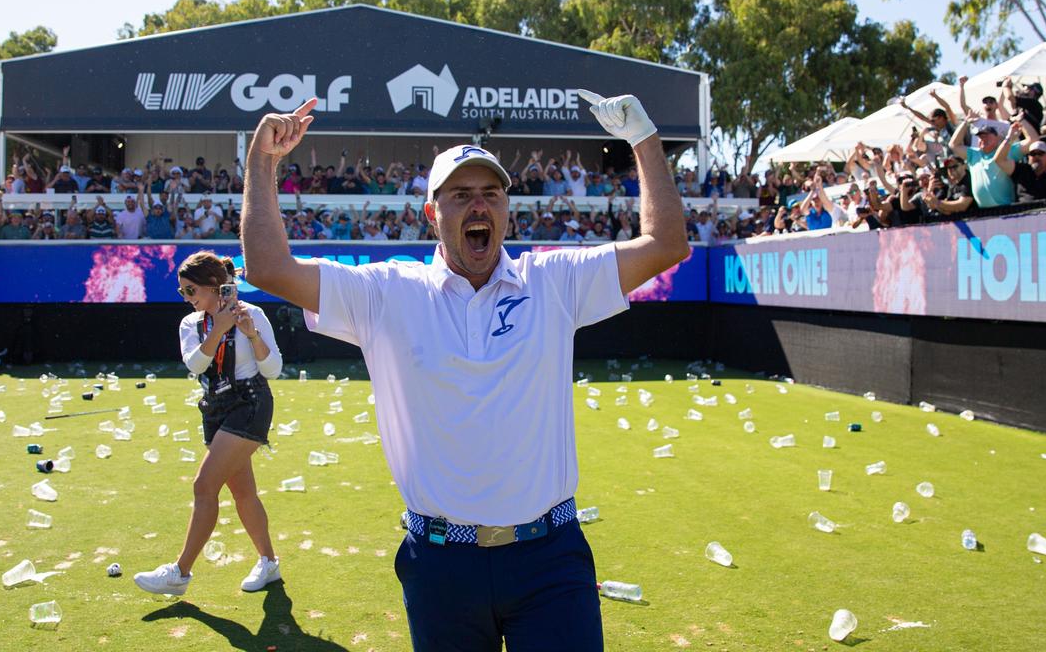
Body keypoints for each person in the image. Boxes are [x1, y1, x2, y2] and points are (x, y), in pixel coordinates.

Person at [240, 90, 687, 651]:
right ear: (433, 213)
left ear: (507, 210)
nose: (479, 206)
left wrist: (644, 137)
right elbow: (268, 267)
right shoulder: (385, 293)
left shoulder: (554, 282)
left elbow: (667, 244)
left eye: (491, 194)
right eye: (460, 196)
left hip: (551, 559)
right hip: (441, 565)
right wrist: (262, 162)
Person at [134, 251, 284, 596]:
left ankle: (179, 572)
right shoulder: (192, 323)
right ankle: (269, 563)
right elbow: (196, 365)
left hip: (250, 403)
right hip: (215, 408)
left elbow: (273, 369)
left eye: (191, 291)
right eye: (183, 292)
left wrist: (250, 334)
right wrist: (218, 327)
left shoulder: (253, 313)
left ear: (215, 287)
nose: (187, 298)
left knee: (204, 487)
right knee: (244, 493)